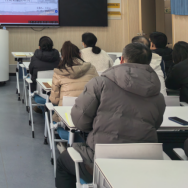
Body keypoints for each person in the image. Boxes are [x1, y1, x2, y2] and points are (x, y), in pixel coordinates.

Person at [54, 43, 165, 188]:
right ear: (148, 62)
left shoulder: (100, 83)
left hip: (102, 162)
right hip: (144, 164)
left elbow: (79, 121)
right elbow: (156, 124)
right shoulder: (157, 94)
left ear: (122, 59)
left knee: (63, 162)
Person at [49, 41, 97, 113]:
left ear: (62, 57)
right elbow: (99, 91)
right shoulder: (91, 68)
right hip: (89, 112)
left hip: (65, 114)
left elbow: (54, 100)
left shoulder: (59, 72)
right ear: (79, 54)